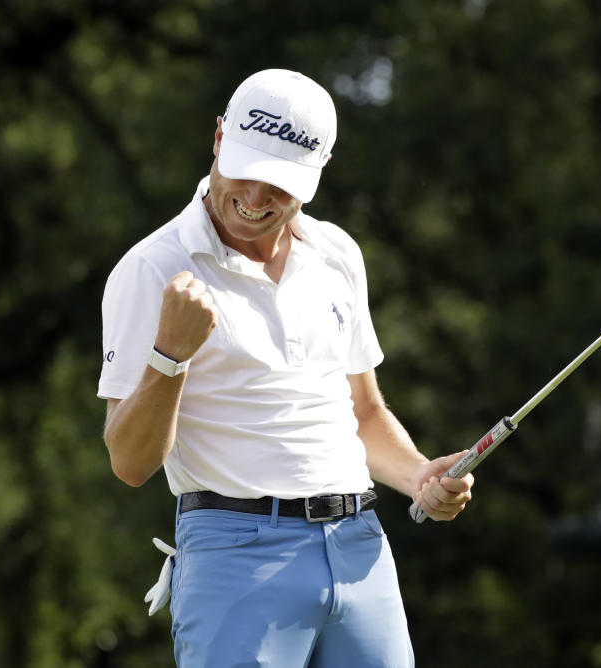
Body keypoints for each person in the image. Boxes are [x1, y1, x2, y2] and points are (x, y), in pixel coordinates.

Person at [98, 69, 474, 667]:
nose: (254, 198)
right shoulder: (151, 269)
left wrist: (421, 474)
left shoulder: (337, 254)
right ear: (219, 137)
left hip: (360, 549)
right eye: (245, 170)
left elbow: (364, 412)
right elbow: (129, 463)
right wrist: (171, 356)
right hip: (235, 555)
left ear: (317, 174)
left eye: (279, 184)